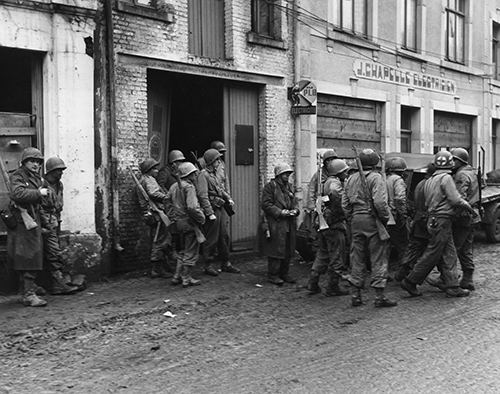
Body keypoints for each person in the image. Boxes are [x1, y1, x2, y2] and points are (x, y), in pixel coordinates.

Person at [401, 151, 473, 298]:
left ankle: (452, 285)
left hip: (433, 219)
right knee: (433, 253)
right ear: (451, 163)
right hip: (442, 220)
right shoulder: (446, 178)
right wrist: (468, 207)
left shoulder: (430, 179)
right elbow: (455, 199)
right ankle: (411, 280)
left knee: (449, 253)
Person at [342, 148, 397, 308]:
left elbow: (345, 204)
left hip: (356, 221)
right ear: (374, 163)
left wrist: (352, 216)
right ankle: (379, 296)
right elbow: (380, 203)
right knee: (378, 257)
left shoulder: (351, 178)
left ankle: (355, 295)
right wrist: (385, 218)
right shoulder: (376, 177)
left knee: (356, 258)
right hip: (373, 220)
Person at [427, 148, 480, 291]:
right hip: (472, 215)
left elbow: (459, 197)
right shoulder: (472, 172)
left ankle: (447, 279)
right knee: (466, 249)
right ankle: (468, 279)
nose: (451, 162)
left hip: (462, 216)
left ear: (459, 161)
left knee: (451, 249)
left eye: (453, 160)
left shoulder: (461, 175)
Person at [7, 147, 49, 307]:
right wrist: (39, 193)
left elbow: (40, 203)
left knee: (33, 255)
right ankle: (28, 294)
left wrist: (45, 222)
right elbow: (17, 194)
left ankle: (28, 287)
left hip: (33, 219)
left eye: (38, 162)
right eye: (32, 161)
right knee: (29, 257)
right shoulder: (18, 176)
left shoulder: (36, 178)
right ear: (24, 162)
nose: (36, 164)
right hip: (22, 222)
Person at [307, 159, 349, 296]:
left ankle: (313, 282)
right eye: (344, 171)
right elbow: (338, 200)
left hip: (325, 224)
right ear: (338, 172)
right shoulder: (334, 184)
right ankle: (332, 287)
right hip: (335, 224)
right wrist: (345, 212)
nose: (346, 173)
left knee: (322, 254)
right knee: (337, 255)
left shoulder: (326, 182)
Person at [40, 157, 79, 295]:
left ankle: (58, 281)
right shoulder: (42, 185)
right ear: (51, 171)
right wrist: (45, 225)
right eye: (59, 171)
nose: (61, 173)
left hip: (55, 221)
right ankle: (57, 284)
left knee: (56, 251)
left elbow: (58, 205)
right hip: (45, 223)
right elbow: (39, 207)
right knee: (53, 253)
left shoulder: (59, 184)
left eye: (62, 170)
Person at [199, 148, 240, 275]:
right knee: (211, 238)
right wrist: (209, 213)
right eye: (217, 159)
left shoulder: (214, 173)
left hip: (220, 207)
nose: (219, 161)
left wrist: (228, 198)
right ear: (212, 161)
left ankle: (226, 262)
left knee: (224, 236)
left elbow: (219, 189)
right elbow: (202, 195)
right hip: (212, 209)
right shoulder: (203, 175)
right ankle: (208, 264)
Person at [165, 162, 205, 287]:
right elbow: (192, 207)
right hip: (189, 222)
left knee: (182, 250)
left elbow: (167, 202)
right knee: (191, 251)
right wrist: (201, 218)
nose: (195, 176)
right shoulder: (189, 187)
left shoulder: (173, 187)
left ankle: (176, 276)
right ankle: (186, 278)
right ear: (189, 175)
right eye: (193, 173)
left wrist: (173, 216)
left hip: (178, 223)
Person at [394, 163, 435, 281]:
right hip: (427, 220)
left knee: (414, 249)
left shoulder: (420, 184)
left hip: (418, 219)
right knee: (434, 250)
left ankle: (401, 273)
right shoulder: (431, 184)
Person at [261, 163, 299, 285]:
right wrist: (280, 212)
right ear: (278, 174)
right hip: (276, 223)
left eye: (288, 174)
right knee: (276, 250)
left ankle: (285, 273)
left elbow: (295, 202)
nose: (287, 176)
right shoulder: (270, 187)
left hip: (288, 223)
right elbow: (266, 204)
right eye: (285, 174)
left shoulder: (290, 187)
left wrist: (295, 210)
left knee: (287, 249)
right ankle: (273, 275)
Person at [137, 157, 173, 279]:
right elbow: (153, 193)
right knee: (160, 240)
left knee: (157, 239)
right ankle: (157, 270)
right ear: (149, 170)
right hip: (156, 213)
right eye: (155, 169)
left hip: (151, 214)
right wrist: (167, 197)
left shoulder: (143, 179)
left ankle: (161, 266)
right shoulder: (149, 180)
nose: (157, 171)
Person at [385, 157, 409, 274]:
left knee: (386, 246)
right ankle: (403, 272)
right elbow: (400, 199)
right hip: (396, 216)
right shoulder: (398, 180)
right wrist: (403, 215)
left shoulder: (385, 179)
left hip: (386, 216)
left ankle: (384, 272)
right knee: (403, 245)